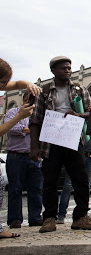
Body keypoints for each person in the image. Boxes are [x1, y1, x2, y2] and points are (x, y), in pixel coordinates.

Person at [29, 56, 91, 233]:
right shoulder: (44, 92)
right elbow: (35, 120)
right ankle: (49, 218)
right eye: (62, 68)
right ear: (53, 71)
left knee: (81, 180)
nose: (67, 70)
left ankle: (81, 217)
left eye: (69, 68)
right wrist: (34, 146)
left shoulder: (79, 90)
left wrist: (78, 115)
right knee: (50, 181)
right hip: (50, 143)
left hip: (74, 141)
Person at [0, 58, 38, 239]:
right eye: (2, 83)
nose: (4, 86)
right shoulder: (13, 112)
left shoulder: (6, 84)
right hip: (15, 154)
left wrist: (29, 84)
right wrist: (19, 117)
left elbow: (16, 83)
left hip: (29, 155)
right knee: (10, 188)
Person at [5, 91, 43, 229]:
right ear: (26, 99)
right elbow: (10, 128)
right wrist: (30, 129)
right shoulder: (13, 112)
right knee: (15, 189)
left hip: (34, 156)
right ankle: (15, 219)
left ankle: (35, 217)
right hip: (16, 155)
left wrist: (28, 130)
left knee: (36, 188)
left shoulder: (39, 114)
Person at [57, 135, 91, 224]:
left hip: (90, 155)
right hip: (76, 153)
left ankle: (83, 213)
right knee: (68, 186)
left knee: (86, 186)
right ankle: (61, 214)